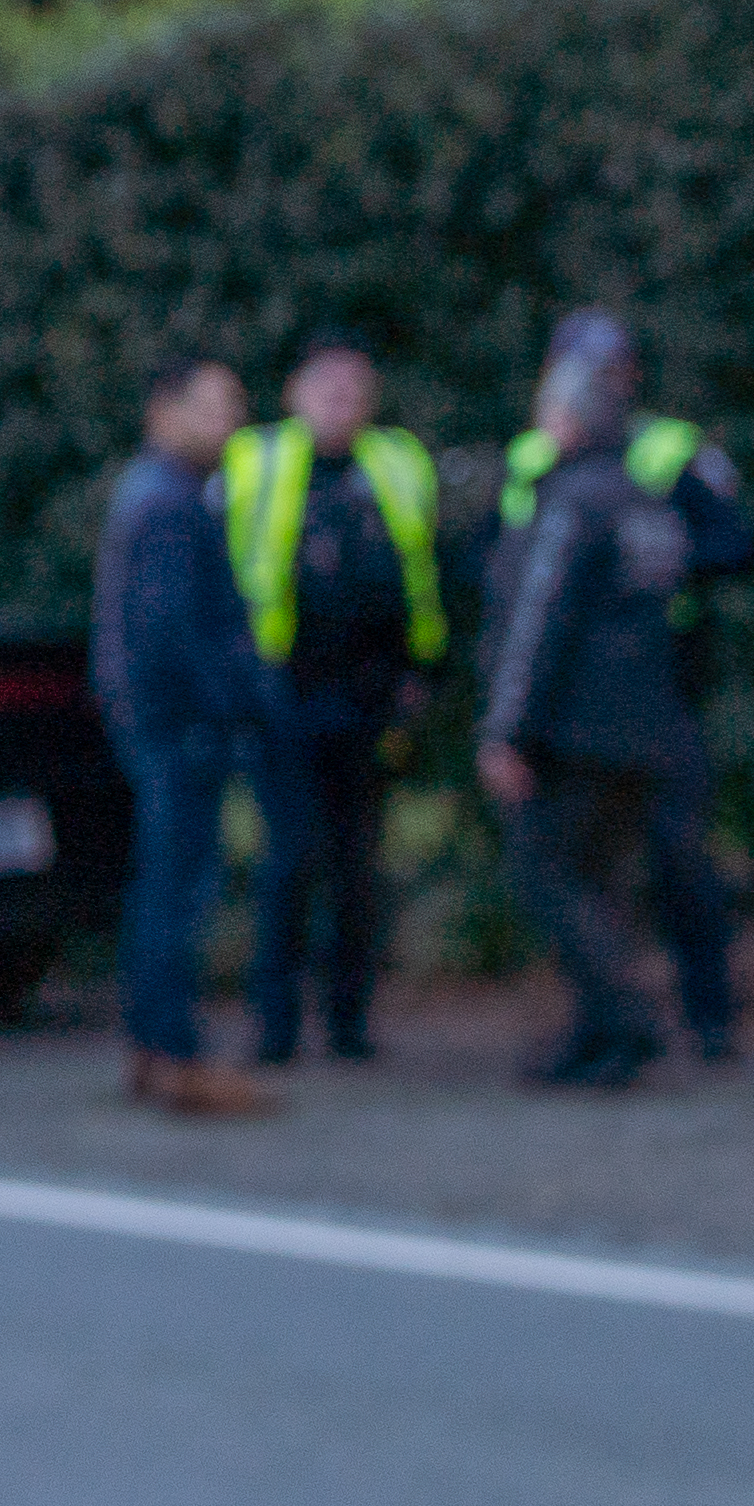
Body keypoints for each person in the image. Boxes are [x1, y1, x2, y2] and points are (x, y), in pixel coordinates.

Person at [494, 314, 754, 1063]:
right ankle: (605, 1028)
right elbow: (508, 574)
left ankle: (681, 1020)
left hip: (641, 695)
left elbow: (540, 608)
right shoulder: (538, 464)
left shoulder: (663, 457)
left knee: (659, 861)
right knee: (598, 871)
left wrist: (506, 724)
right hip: (609, 704)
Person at [222, 329, 449, 1067]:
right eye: (328, 388)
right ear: (295, 393)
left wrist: (420, 669)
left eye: (355, 390)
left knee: (357, 865)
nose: (341, 404)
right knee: (289, 858)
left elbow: (422, 570)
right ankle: (276, 1025)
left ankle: (348, 1021)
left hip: (369, 695)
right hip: (284, 691)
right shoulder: (255, 461)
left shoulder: (396, 462)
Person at [95, 348, 280, 1117]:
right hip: (179, 727)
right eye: (216, 404)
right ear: (163, 411)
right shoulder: (170, 502)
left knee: (164, 886)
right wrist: (231, 703)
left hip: (158, 721)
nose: (232, 420)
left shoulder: (159, 492)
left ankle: (154, 1048)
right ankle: (175, 1056)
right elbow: (173, 628)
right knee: (179, 889)